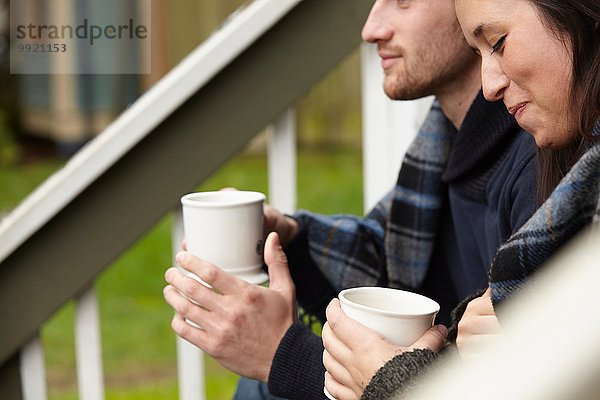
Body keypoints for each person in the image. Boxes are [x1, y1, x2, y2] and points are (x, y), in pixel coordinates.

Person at [162, 0, 539, 398]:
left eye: (402, 2)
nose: (370, 29)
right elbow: (390, 258)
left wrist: (282, 355)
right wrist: (288, 239)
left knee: (264, 388)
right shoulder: (448, 144)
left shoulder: (537, 164)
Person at [321, 0, 600, 398]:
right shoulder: (446, 151)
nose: (489, 86)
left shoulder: (534, 167)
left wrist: (394, 383)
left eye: (498, 43)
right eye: (478, 51)